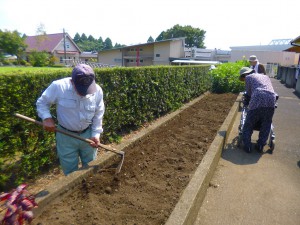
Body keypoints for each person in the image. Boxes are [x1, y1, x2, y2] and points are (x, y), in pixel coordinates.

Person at [36, 64, 105, 175]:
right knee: (70, 172)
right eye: (81, 90)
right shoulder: (58, 87)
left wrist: (96, 134)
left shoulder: (98, 91)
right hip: (65, 136)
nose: (84, 94)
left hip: (88, 135)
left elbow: (99, 113)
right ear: (72, 82)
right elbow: (42, 103)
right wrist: (46, 118)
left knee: (91, 169)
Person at [239, 67, 277, 153]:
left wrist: (246, 102)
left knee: (249, 124)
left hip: (258, 97)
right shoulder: (265, 76)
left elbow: (248, 93)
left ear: (244, 75)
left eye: (243, 78)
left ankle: (247, 146)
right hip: (271, 98)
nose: (244, 80)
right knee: (266, 124)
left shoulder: (248, 77)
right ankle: (260, 146)